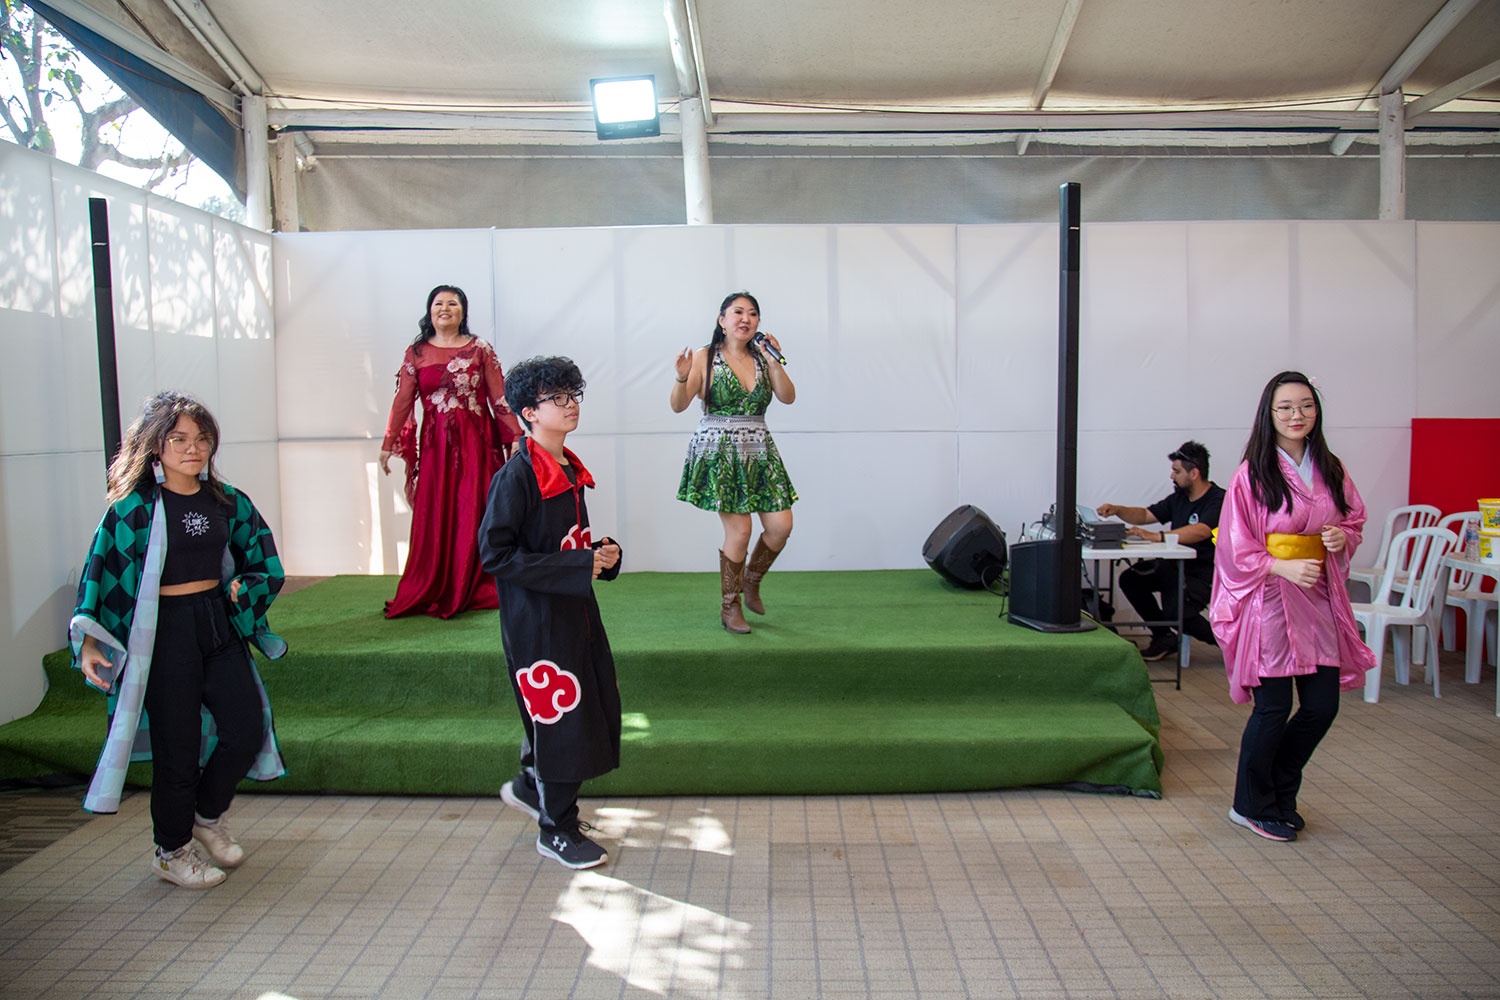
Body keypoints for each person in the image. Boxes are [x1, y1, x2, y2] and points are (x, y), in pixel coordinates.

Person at [71, 391, 288, 888]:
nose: (193, 448)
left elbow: (264, 562)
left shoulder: (227, 501)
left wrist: (244, 587)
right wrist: (89, 641)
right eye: (179, 439)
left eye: (202, 438)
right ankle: (170, 851)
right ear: (155, 445)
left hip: (215, 622)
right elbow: (99, 573)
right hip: (162, 634)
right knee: (178, 748)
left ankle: (206, 816)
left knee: (246, 726)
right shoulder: (131, 510)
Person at [1210, 371, 1376, 843]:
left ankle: (1280, 792)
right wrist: (1279, 567)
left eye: (1305, 405)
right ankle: (1250, 805)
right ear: (1269, 413)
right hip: (1269, 601)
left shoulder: (1331, 467)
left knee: (1322, 706)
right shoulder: (1252, 473)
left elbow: (1354, 518)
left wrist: (1341, 536)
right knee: (1273, 708)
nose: (1296, 415)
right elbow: (1234, 545)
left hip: (1318, 597)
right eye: (1285, 407)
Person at [479, 356, 622, 870]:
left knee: (580, 705)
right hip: (536, 621)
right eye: (556, 398)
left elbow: (562, 545)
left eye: (572, 395)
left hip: (573, 611)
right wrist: (577, 564)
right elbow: (494, 555)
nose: (570, 405)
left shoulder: (567, 468)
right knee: (564, 719)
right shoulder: (516, 476)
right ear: (528, 413)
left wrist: (600, 557)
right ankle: (555, 829)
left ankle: (529, 784)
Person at [380, 284, 522, 618]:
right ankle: (435, 583)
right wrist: (388, 443)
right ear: (430, 311)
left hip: (477, 445)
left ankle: (477, 583)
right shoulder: (416, 353)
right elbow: (403, 401)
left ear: (463, 311)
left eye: (453, 303)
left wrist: (515, 436)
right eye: (438, 303)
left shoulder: (480, 349)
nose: (445, 308)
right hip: (436, 449)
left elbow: (498, 396)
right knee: (436, 510)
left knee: (476, 508)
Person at [670, 291, 797, 633]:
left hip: (759, 450)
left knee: (781, 525)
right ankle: (730, 605)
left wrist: (774, 361)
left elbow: (787, 397)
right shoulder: (705, 356)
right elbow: (678, 405)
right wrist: (682, 377)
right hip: (720, 450)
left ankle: (751, 581)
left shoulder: (762, 356)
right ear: (722, 320)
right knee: (741, 530)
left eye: (753, 314)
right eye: (738, 312)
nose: (746, 319)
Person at [1097, 441, 1226, 661]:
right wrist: (1118, 510)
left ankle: (1232, 645)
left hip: (1201, 573)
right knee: (1131, 579)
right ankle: (1163, 637)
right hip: (1173, 567)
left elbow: (1203, 530)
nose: (1172, 476)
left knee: (1176, 613)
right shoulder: (1179, 498)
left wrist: (1158, 536)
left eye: (1176, 471)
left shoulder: (1219, 499)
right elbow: (1146, 515)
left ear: (1194, 473)